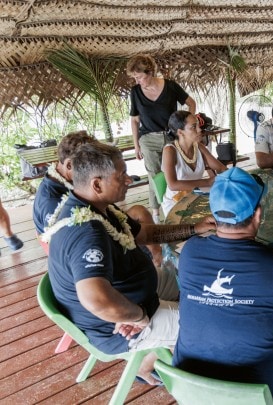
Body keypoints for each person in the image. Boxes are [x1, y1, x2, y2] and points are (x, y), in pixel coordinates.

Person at [42, 142, 216, 384]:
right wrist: (138, 316)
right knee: (214, 325)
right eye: (121, 175)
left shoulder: (96, 207)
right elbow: (97, 300)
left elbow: (144, 235)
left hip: (139, 293)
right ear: (97, 184)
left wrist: (192, 228)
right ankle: (148, 363)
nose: (129, 180)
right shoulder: (86, 232)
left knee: (199, 283)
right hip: (120, 327)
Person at [174, 167, 273, 405]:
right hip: (257, 398)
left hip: (192, 390)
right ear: (258, 214)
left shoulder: (189, 252)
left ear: (213, 213)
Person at [32, 131, 162, 268]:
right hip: (87, 244)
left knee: (139, 212)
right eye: (90, 160)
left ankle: (158, 259)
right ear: (69, 165)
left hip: (98, 223)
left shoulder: (74, 180)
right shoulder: (52, 203)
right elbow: (67, 246)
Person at [127, 54, 196, 222]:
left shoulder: (171, 87)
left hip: (171, 137)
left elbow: (191, 103)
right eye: (135, 78)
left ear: (150, 72)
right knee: (155, 175)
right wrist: (136, 146)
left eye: (140, 77)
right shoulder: (135, 92)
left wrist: (186, 127)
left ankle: (180, 206)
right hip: (148, 139)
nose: (137, 81)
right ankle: (157, 214)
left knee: (174, 173)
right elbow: (135, 120)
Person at [161, 111, 227, 216]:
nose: (199, 129)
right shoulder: (170, 150)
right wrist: (208, 182)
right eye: (193, 127)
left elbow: (220, 168)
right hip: (176, 202)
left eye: (198, 125)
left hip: (195, 196)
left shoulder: (199, 147)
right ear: (180, 132)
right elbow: (173, 185)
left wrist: (229, 174)